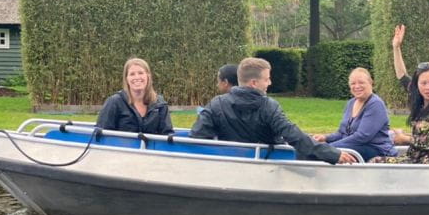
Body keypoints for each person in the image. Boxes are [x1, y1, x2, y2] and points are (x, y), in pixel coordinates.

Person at [190, 57, 357, 164]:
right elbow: (292, 135)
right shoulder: (269, 106)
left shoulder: (216, 104)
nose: (269, 83)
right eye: (267, 79)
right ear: (254, 83)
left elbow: (198, 137)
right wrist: (332, 154)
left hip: (230, 165)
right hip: (267, 165)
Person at [371, 25, 429, 164]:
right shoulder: (419, 100)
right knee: (374, 160)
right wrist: (396, 48)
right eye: (424, 83)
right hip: (413, 159)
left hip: (426, 165)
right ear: (417, 85)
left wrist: (404, 138)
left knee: (377, 163)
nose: (428, 87)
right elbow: (402, 76)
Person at [312, 67, 397, 161]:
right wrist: (325, 138)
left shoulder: (375, 104)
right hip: (355, 146)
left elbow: (362, 137)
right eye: (353, 83)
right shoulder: (351, 103)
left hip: (375, 149)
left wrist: (330, 147)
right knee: (316, 150)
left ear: (370, 83)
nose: (357, 86)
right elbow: (342, 133)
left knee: (325, 153)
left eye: (361, 82)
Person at [96, 57, 174, 135]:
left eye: (140, 73)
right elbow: (101, 135)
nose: (137, 77)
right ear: (126, 79)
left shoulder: (160, 104)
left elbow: (167, 134)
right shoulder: (114, 102)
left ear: (148, 76)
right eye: (132, 74)